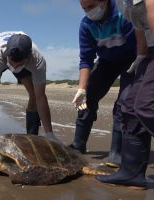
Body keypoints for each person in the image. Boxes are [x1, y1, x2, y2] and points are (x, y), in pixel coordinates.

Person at [69, 0, 137, 168]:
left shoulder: (124, 13)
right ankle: (78, 145)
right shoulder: (86, 25)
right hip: (107, 61)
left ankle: (117, 152)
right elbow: (86, 59)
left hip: (134, 59)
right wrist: (81, 88)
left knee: (123, 103)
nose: (87, 12)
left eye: (91, 6)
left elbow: (141, 40)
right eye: (84, 8)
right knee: (87, 98)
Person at [96, 0, 154, 189]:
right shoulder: (121, 2)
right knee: (128, 107)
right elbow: (139, 25)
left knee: (146, 107)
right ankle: (132, 174)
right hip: (149, 51)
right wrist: (141, 55)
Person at [0, 31, 59, 148]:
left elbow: (40, 97)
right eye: (12, 63)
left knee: (34, 94)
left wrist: (49, 133)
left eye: (19, 64)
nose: (15, 67)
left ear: (29, 57)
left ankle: (32, 137)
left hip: (24, 58)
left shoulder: (37, 60)